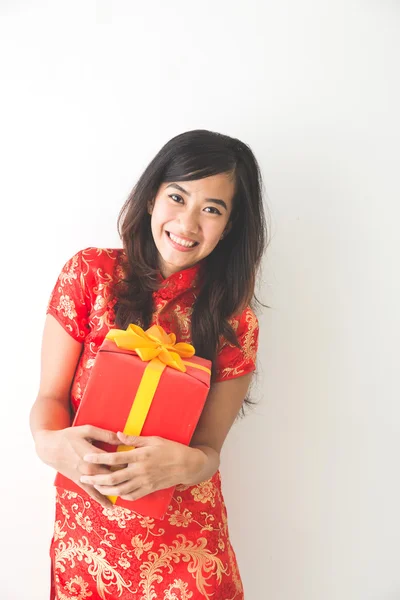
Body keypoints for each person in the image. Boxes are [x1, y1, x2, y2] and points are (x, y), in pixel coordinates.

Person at [30, 129, 267, 600]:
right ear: (151, 197)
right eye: (177, 197)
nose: (188, 223)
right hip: (86, 542)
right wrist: (49, 444)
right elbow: (49, 400)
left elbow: (208, 452)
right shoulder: (90, 275)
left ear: (230, 225)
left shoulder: (234, 322)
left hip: (185, 553)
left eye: (212, 209)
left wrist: (185, 464)